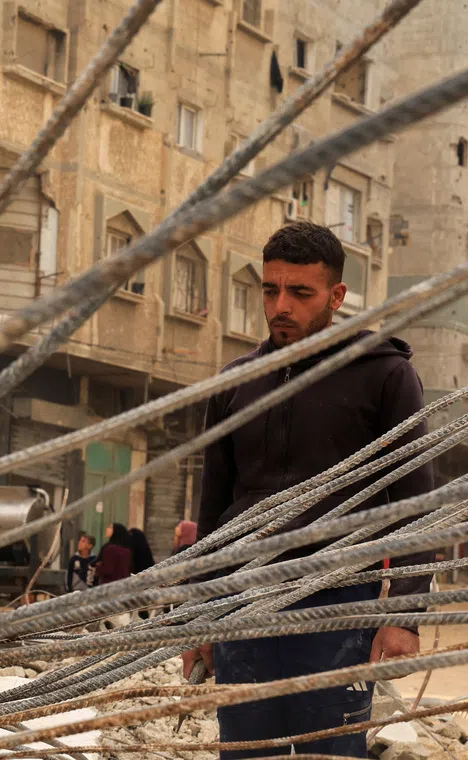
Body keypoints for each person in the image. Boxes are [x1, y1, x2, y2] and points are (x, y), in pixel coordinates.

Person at [182, 221, 434, 759]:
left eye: (300, 292)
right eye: (270, 289)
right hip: (244, 606)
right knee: (246, 752)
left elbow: (416, 505)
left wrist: (404, 617)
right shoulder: (236, 384)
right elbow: (215, 512)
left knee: (329, 753)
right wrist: (201, 613)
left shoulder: (385, 376)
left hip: (338, 609)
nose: (280, 306)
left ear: (337, 296)